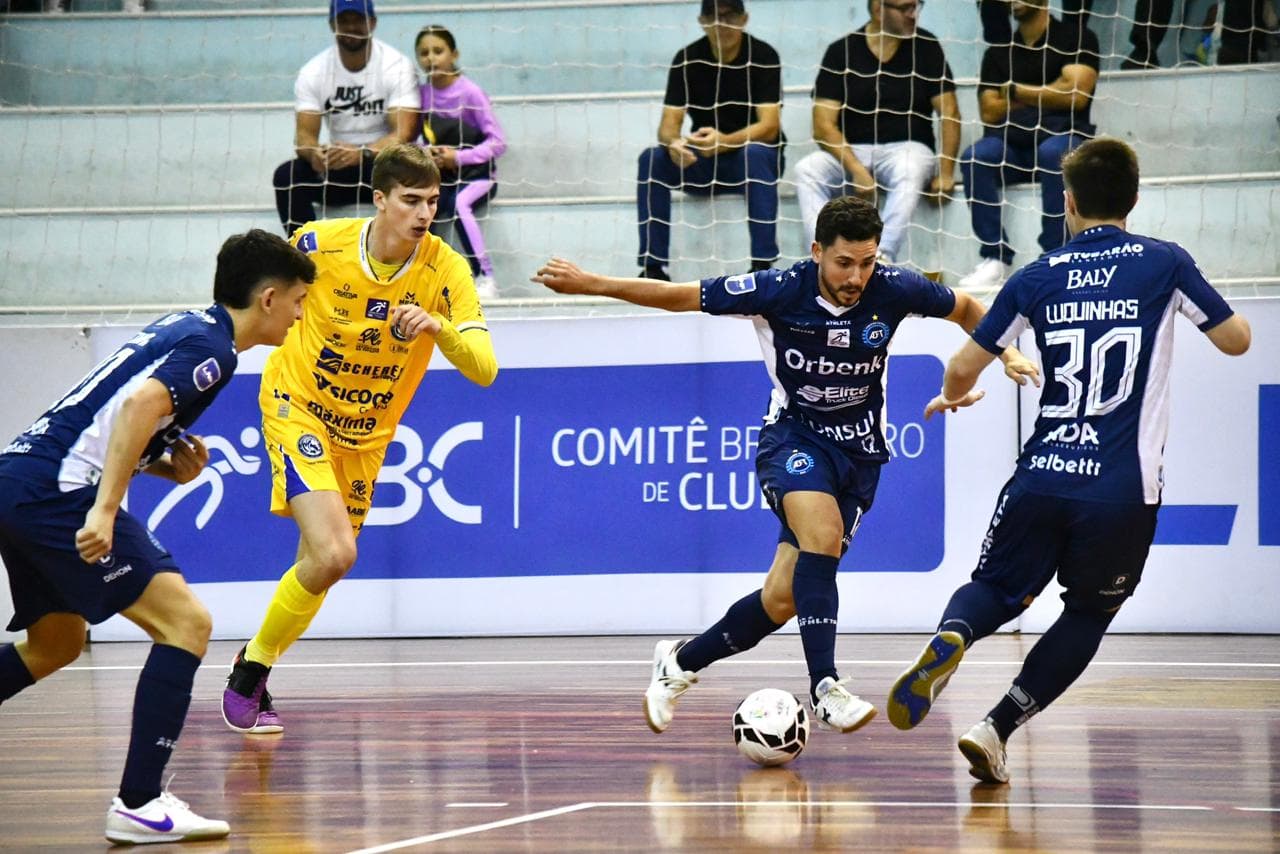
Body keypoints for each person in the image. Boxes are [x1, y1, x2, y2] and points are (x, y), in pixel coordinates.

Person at [533, 195, 1037, 735]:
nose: (856, 277)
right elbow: (678, 297)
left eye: (867, 263)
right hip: (793, 439)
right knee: (822, 534)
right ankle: (825, 687)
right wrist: (592, 283)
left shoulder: (893, 288)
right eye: (844, 263)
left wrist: (1005, 354)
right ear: (818, 251)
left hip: (861, 454)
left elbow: (964, 307)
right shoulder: (777, 290)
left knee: (782, 599)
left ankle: (679, 663)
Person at [886, 137, 1252, 783]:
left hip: (1043, 471)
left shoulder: (1037, 274)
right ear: (1134, 199)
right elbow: (1235, 341)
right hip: (1120, 488)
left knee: (997, 587)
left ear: (1068, 201)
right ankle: (995, 726)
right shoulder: (1163, 262)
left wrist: (954, 397)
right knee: (1088, 610)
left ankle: (957, 636)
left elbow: (962, 365)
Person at [0, 230, 315, 843]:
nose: (303, 315)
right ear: (270, 298)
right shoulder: (215, 350)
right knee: (187, 625)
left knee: (55, 645)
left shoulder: (188, 325)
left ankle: (140, 800)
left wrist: (163, 464)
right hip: (55, 494)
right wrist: (105, 509)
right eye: (300, 301)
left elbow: (119, 418)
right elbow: (139, 405)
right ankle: (139, 803)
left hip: (20, 479)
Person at [222, 143, 498, 734]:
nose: (425, 214)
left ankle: (256, 664)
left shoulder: (445, 269)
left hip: (367, 436)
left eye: (433, 201)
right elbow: (257, 303)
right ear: (380, 199)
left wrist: (438, 326)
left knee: (322, 564)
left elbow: (484, 367)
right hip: (299, 406)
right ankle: (248, 673)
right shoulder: (318, 245)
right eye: (411, 201)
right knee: (337, 551)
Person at [793, 0, 960, 265]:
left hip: (908, 148)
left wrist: (947, 172)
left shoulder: (926, 47)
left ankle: (881, 256)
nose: (913, 14)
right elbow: (823, 126)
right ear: (880, 10)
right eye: (905, 8)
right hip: (852, 151)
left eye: (916, 6)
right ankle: (822, 259)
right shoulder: (842, 51)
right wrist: (857, 170)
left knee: (910, 166)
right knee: (807, 169)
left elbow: (950, 112)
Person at [957, 0, 1100, 292]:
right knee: (976, 157)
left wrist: (1014, 90)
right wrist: (1052, 90)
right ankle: (995, 257)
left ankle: (1056, 254)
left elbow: (1076, 95)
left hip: (1062, 137)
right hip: (1013, 145)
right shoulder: (999, 51)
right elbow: (989, 110)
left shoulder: (1076, 37)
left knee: (1054, 153)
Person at [636, 0, 784, 281]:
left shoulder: (763, 55)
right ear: (701, 21)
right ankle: (653, 268)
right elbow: (668, 127)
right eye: (713, 17)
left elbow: (770, 127)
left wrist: (725, 141)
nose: (721, 24)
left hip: (749, 161)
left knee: (755, 152)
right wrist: (675, 145)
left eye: (729, 17)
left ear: (744, 19)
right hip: (703, 159)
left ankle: (763, 266)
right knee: (652, 158)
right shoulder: (687, 58)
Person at [272, 0, 419, 237]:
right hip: (339, 165)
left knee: (421, 172)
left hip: (384, 166)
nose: (351, 27)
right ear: (332, 24)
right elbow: (303, 136)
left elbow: (403, 134)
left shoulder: (397, 65)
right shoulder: (314, 71)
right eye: (344, 21)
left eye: (358, 20)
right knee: (287, 176)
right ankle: (306, 261)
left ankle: (414, 257)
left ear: (372, 23)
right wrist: (315, 154)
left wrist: (362, 153)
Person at [415, 24, 508, 301]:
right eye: (423, 53)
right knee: (421, 207)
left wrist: (458, 157)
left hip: (477, 177)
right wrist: (428, 152)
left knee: (458, 204)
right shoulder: (422, 94)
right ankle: (417, 276)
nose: (431, 58)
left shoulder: (470, 92)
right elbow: (418, 133)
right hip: (442, 177)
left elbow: (497, 142)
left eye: (438, 51)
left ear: (453, 54)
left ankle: (485, 276)